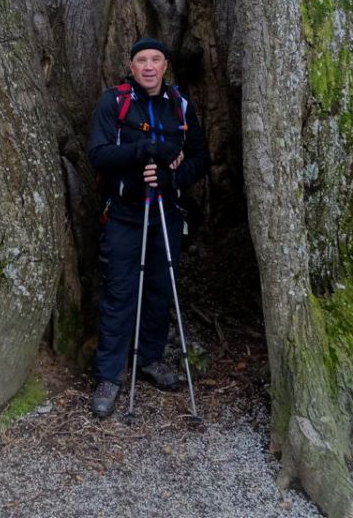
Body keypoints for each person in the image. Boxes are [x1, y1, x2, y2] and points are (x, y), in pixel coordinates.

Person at [87, 37, 209, 418]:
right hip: (125, 213)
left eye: (156, 59)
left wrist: (174, 179)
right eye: (141, 59)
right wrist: (145, 150)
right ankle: (109, 374)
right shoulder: (116, 102)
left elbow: (201, 157)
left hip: (166, 213)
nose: (149, 66)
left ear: (165, 65)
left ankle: (150, 358)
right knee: (120, 291)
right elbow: (99, 154)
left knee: (159, 290)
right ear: (132, 66)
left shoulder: (180, 105)